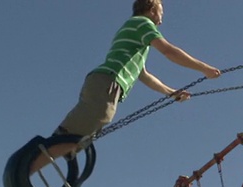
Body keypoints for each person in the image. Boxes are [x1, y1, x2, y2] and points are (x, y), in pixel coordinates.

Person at [30, 0, 221, 173]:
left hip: (106, 83)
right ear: (152, 8)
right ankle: (28, 167)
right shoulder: (142, 23)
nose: (161, 20)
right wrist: (205, 69)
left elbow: (143, 75)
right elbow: (168, 51)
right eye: (161, 13)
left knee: (85, 131)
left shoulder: (137, 36)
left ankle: (36, 164)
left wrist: (172, 93)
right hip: (107, 81)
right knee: (82, 127)